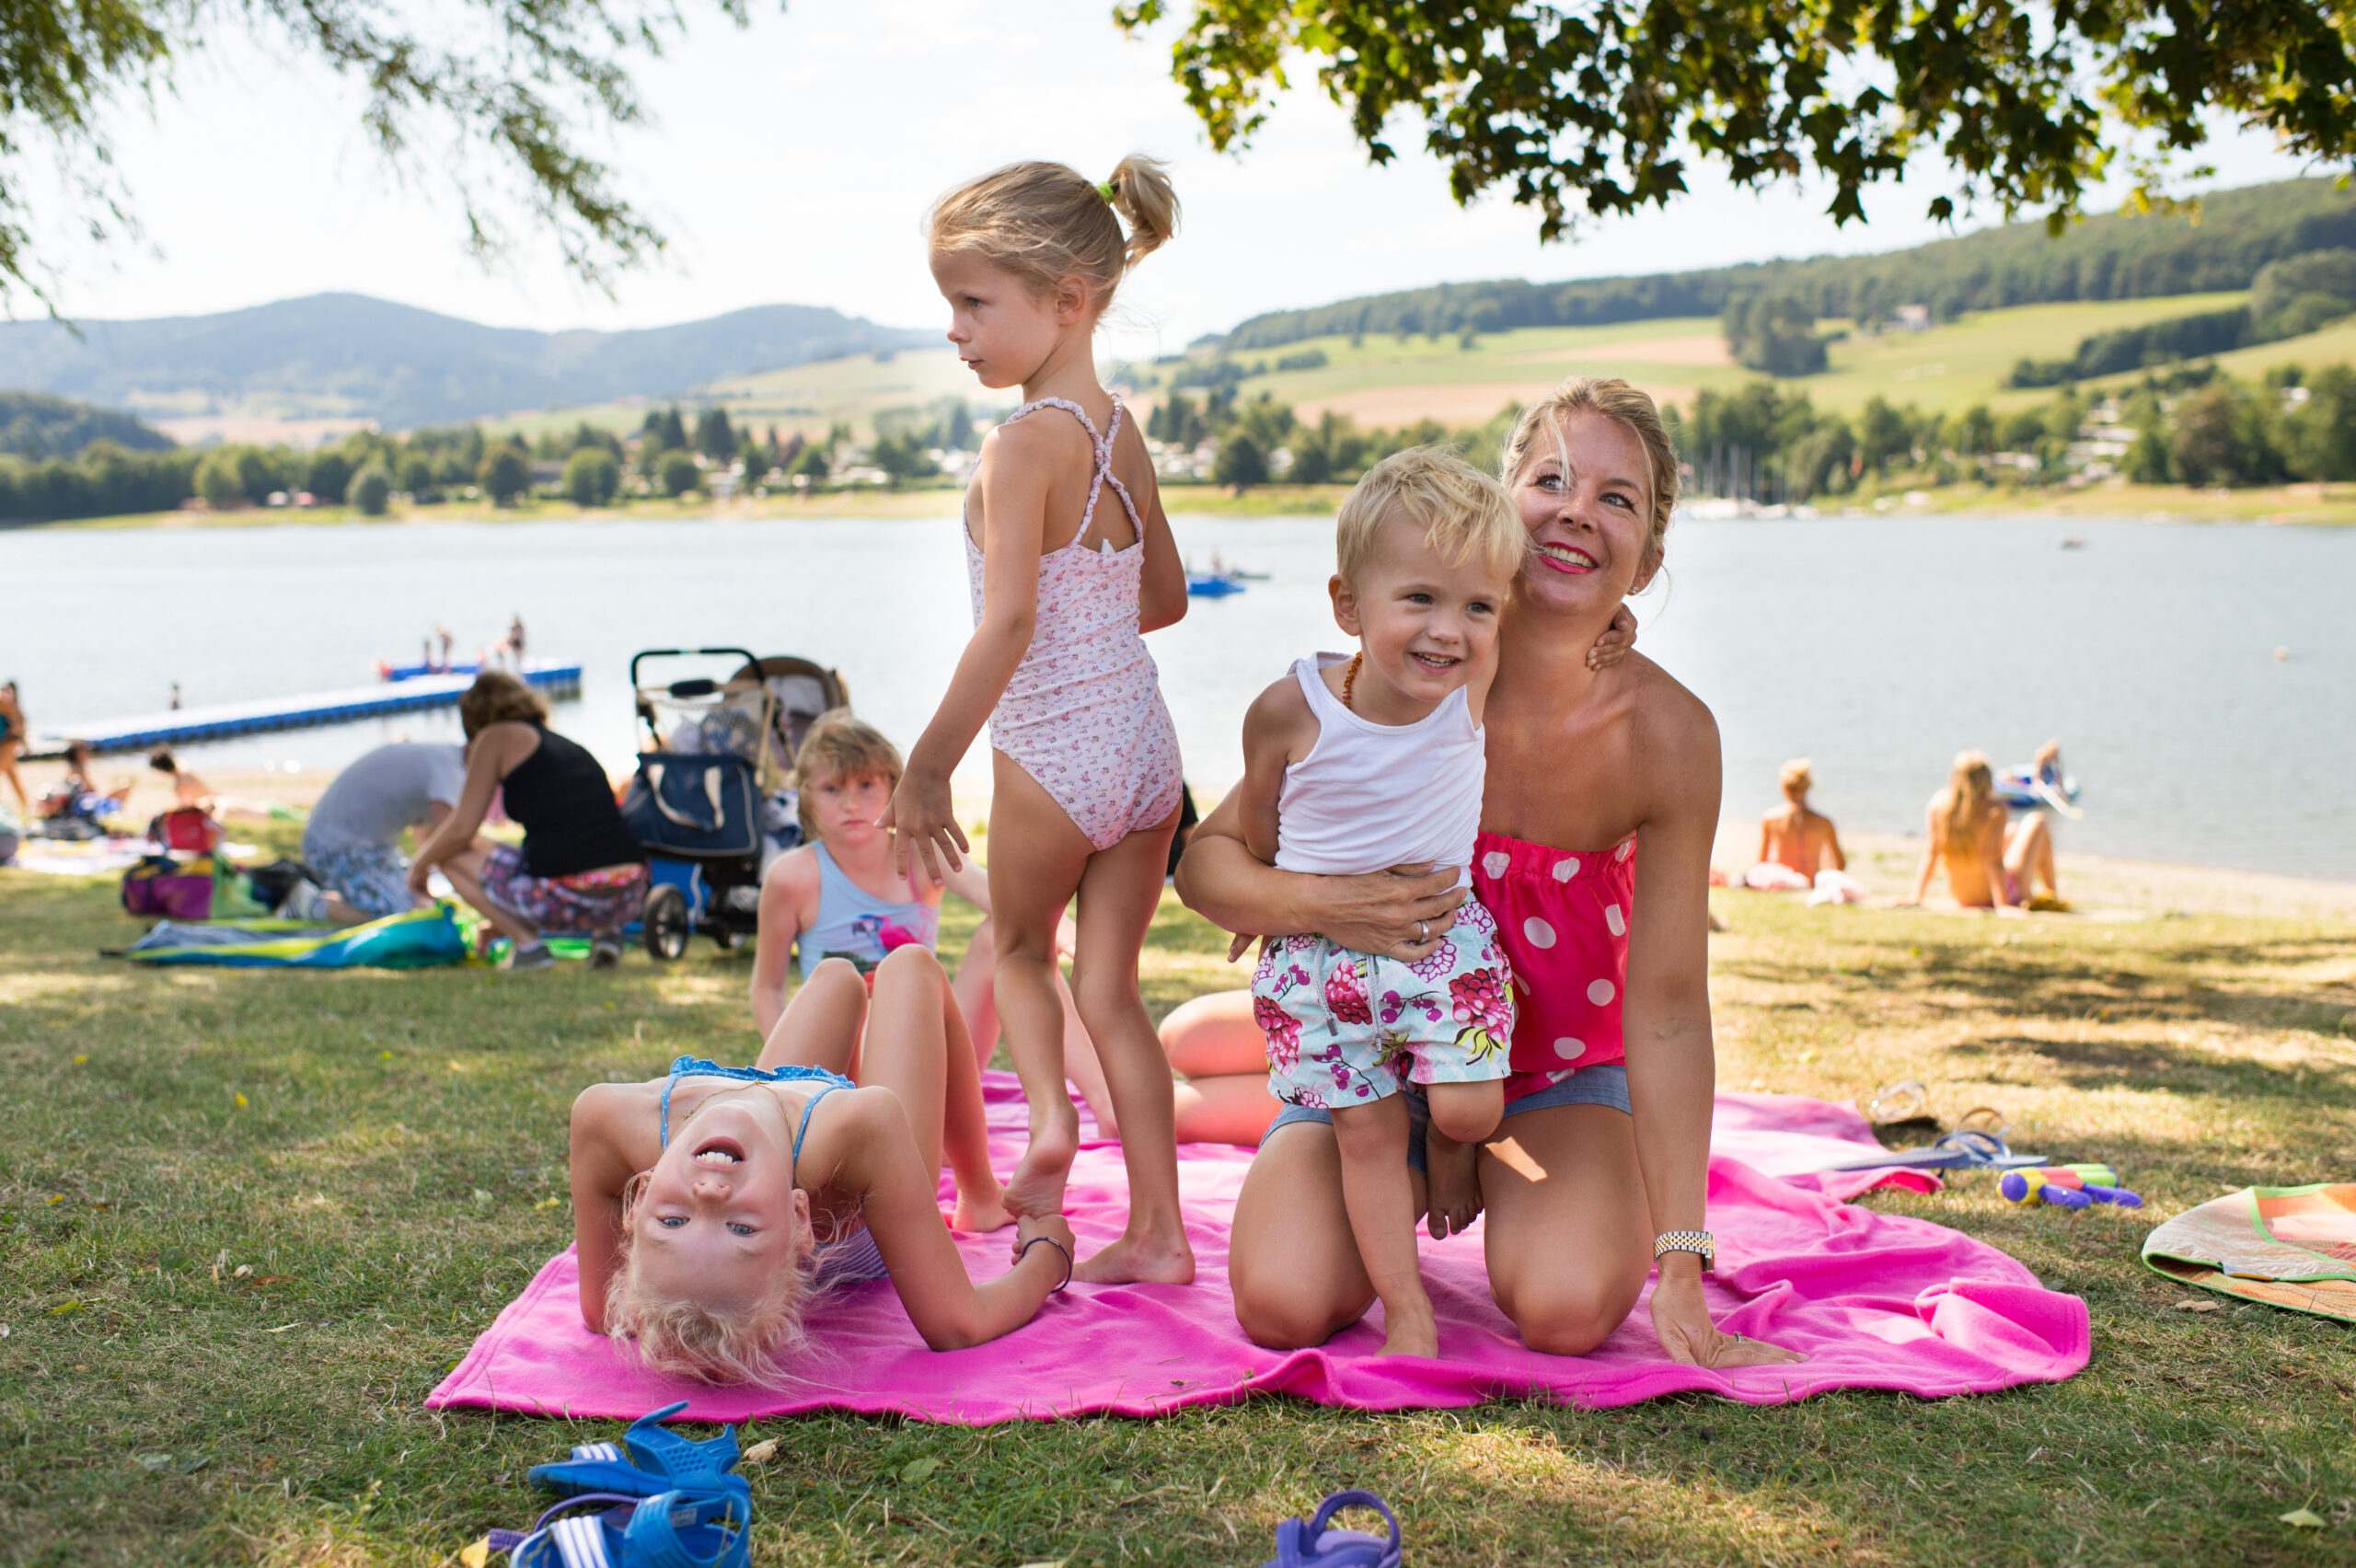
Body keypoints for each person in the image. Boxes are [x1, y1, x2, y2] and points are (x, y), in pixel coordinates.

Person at [1172, 376, 1798, 1369]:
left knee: (1564, 1308)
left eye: (1617, 498)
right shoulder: (1418, 665)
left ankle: (1463, 1154)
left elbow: (1671, 1006)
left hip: (1553, 1080)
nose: (1576, 512)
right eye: (1550, 479)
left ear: (1648, 559)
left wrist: (1682, 1259)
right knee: (1281, 1303)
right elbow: (1209, 865)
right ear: (1501, 502)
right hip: (1374, 1066)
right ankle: (1281, 1087)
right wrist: (1326, 902)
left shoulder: (1667, 736)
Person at [884, 156, 1191, 1286]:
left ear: (1066, 297)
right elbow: (1163, 599)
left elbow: (1007, 625)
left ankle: (1052, 1122)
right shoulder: (1119, 430)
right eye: (950, 306)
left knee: (1017, 947)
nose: (955, 332)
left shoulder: (1021, 446)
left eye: (973, 304)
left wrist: (925, 772)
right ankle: (1158, 1235)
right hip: (1145, 752)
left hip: (1054, 751)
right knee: (1111, 991)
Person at [1227, 447, 1522, 1356]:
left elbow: (1569, 632)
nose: (1450, 631)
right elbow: (1259, 818)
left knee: (1471, 1109)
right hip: (1320, 965)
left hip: (1441, 946)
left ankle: (1448, 1152)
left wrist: (1616, 625)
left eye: (1477, 606)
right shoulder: (1291, 708)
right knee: (1362, 1133)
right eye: (1420, 599)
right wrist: (1265, 898)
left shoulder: (1472, 691)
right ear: (1348, 606)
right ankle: (1408, 1311)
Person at [571, 944, 1075, 1384]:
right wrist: (1049, 1255)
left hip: (779, 1138)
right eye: (741, 1229)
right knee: (909, 968)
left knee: (836, 976)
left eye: (673, 1220)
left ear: (639, 1198)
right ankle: (980, 1195)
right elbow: (959, 1324)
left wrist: (684, 1309)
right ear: (797, 1216)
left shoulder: (607, 1118)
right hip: (865, 1228)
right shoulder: (859, 1128)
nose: (708, 1195)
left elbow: (600, 1312)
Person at [747, 710, 1115, 1130]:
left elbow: (1005, 901)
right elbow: (766, 988)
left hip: (935, 1052)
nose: (851, 804)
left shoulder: (922, 852)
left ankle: (1106, 1105)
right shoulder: (792, 876)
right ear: (806, 795)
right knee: (865, 1012)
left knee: (1006, 933)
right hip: (845, 1066)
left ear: (894, 785)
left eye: (866, 785)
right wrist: (796, 1074)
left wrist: (1084, 950)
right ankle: (900, 1130)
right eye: (833, 788)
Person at [409, 671, 647, 969]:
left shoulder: (494, 737)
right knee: (571, 846)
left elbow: (461, 829)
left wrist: (419, 865)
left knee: (450, 854)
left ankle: (529, 947)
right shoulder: (560, 744)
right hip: (629, 892)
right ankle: (607, 934)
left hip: (571, 895)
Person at [300, 741, 469, 925]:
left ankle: (338, 899)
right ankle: (311, 904)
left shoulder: (446, 759)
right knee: (402, 919)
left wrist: (423, 868)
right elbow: (451, 840)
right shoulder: (450, 770)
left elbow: (426, 837)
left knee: (419, 904)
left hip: (373, 847)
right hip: (334, 847)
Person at [1901, 750, 2057, 912]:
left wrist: (1916, 897)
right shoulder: (1994, 809)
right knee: (2037, 821)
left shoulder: (1939, 805)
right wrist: (2003, 905)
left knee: (2012, 831)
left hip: (1961, 896)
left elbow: (1931, 853)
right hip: (1994, 896)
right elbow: (1994, 860)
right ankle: (2052, 895)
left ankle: (2047, 894)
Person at [1744, 758, 1854, 894]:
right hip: (1811, 883)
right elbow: (1840, 864)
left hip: (1781, 882)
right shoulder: (1824, 822)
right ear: (1808, 787)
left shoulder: (1771, 818)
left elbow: (1761, 863)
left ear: (1784, 787)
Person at [147, 748, 213, 810]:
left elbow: (187, 806)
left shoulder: (179, 784)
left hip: (207, 805)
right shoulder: (184, 767)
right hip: (211, 799)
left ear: (161, 770)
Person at [0, 680, 27, 816]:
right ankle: (25, 807)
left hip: (6, 744)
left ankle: (25, 808)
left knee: (10, 775)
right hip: (5, 743)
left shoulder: (2, 700)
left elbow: (20, 717)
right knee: (12, 776)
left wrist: (19, 737)